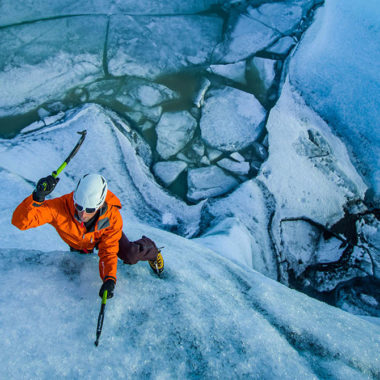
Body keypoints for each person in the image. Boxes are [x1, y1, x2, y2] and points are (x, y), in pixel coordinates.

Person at [11, 173, 164, 299]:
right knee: (77, 271)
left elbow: (108, 251)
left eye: (90, 209)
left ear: (99, 204)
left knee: (129, 254)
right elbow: (20, 222)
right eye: (79, 206)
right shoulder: (59, 208)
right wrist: (37, 199)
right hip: (80, 243)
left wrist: (109, 278)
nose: (83, 213)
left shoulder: (112, 217)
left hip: (103, 234)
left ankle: (152, 251)